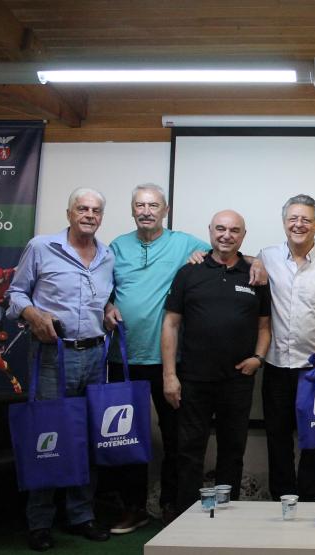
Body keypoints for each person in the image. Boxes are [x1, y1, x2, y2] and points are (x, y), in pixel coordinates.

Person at [7, 188, 115, 551]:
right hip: (53, 357)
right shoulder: (41, 247)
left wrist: (110, 308)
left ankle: (82, 516)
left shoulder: (107, 255)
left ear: (102, 216)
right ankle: (39, 523)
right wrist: (33, 314)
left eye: (96, 210)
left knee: (88, 438)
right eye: (82, 208)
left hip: (95, 357)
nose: (89, 214)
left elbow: (101, 296)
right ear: (69, 212)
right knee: (47, 437)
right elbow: (15, 294)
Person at [101, 184, 210, 531]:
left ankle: (172, 506)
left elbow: (230, 254)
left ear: (165, 210)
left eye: (153, 205)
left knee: (176, 437)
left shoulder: (185, 244)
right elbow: (98, 288)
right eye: (140, 205)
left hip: (170, 363)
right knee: (127, 438)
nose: (146, 210)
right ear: (132, 210)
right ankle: (133, 508)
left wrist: (259, 267)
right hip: (123, 359)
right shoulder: (117, 246)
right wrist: (106, 305)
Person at [161, 210, 271, 513]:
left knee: (232, 451)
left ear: (243, 236)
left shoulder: (255, 275)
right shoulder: (189, 272)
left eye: (234, 230)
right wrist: (169, 375)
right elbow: (170, 324)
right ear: (210, 231)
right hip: (193, 380)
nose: (227, 235)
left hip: (237, 381)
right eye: (220, 229)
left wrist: (258, 358)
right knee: (189, 451)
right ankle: (185, 516)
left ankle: (226, 516)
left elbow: (264, 326)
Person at [259, 194, 315, 502]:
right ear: (284, 223)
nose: (299, 225)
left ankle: (310, 495)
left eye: (306, 220)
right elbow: (233, 258)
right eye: (293, 219)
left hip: (314, 367)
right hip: (275, 365)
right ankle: (283, 496)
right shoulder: (266, 256)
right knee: (277, 435)